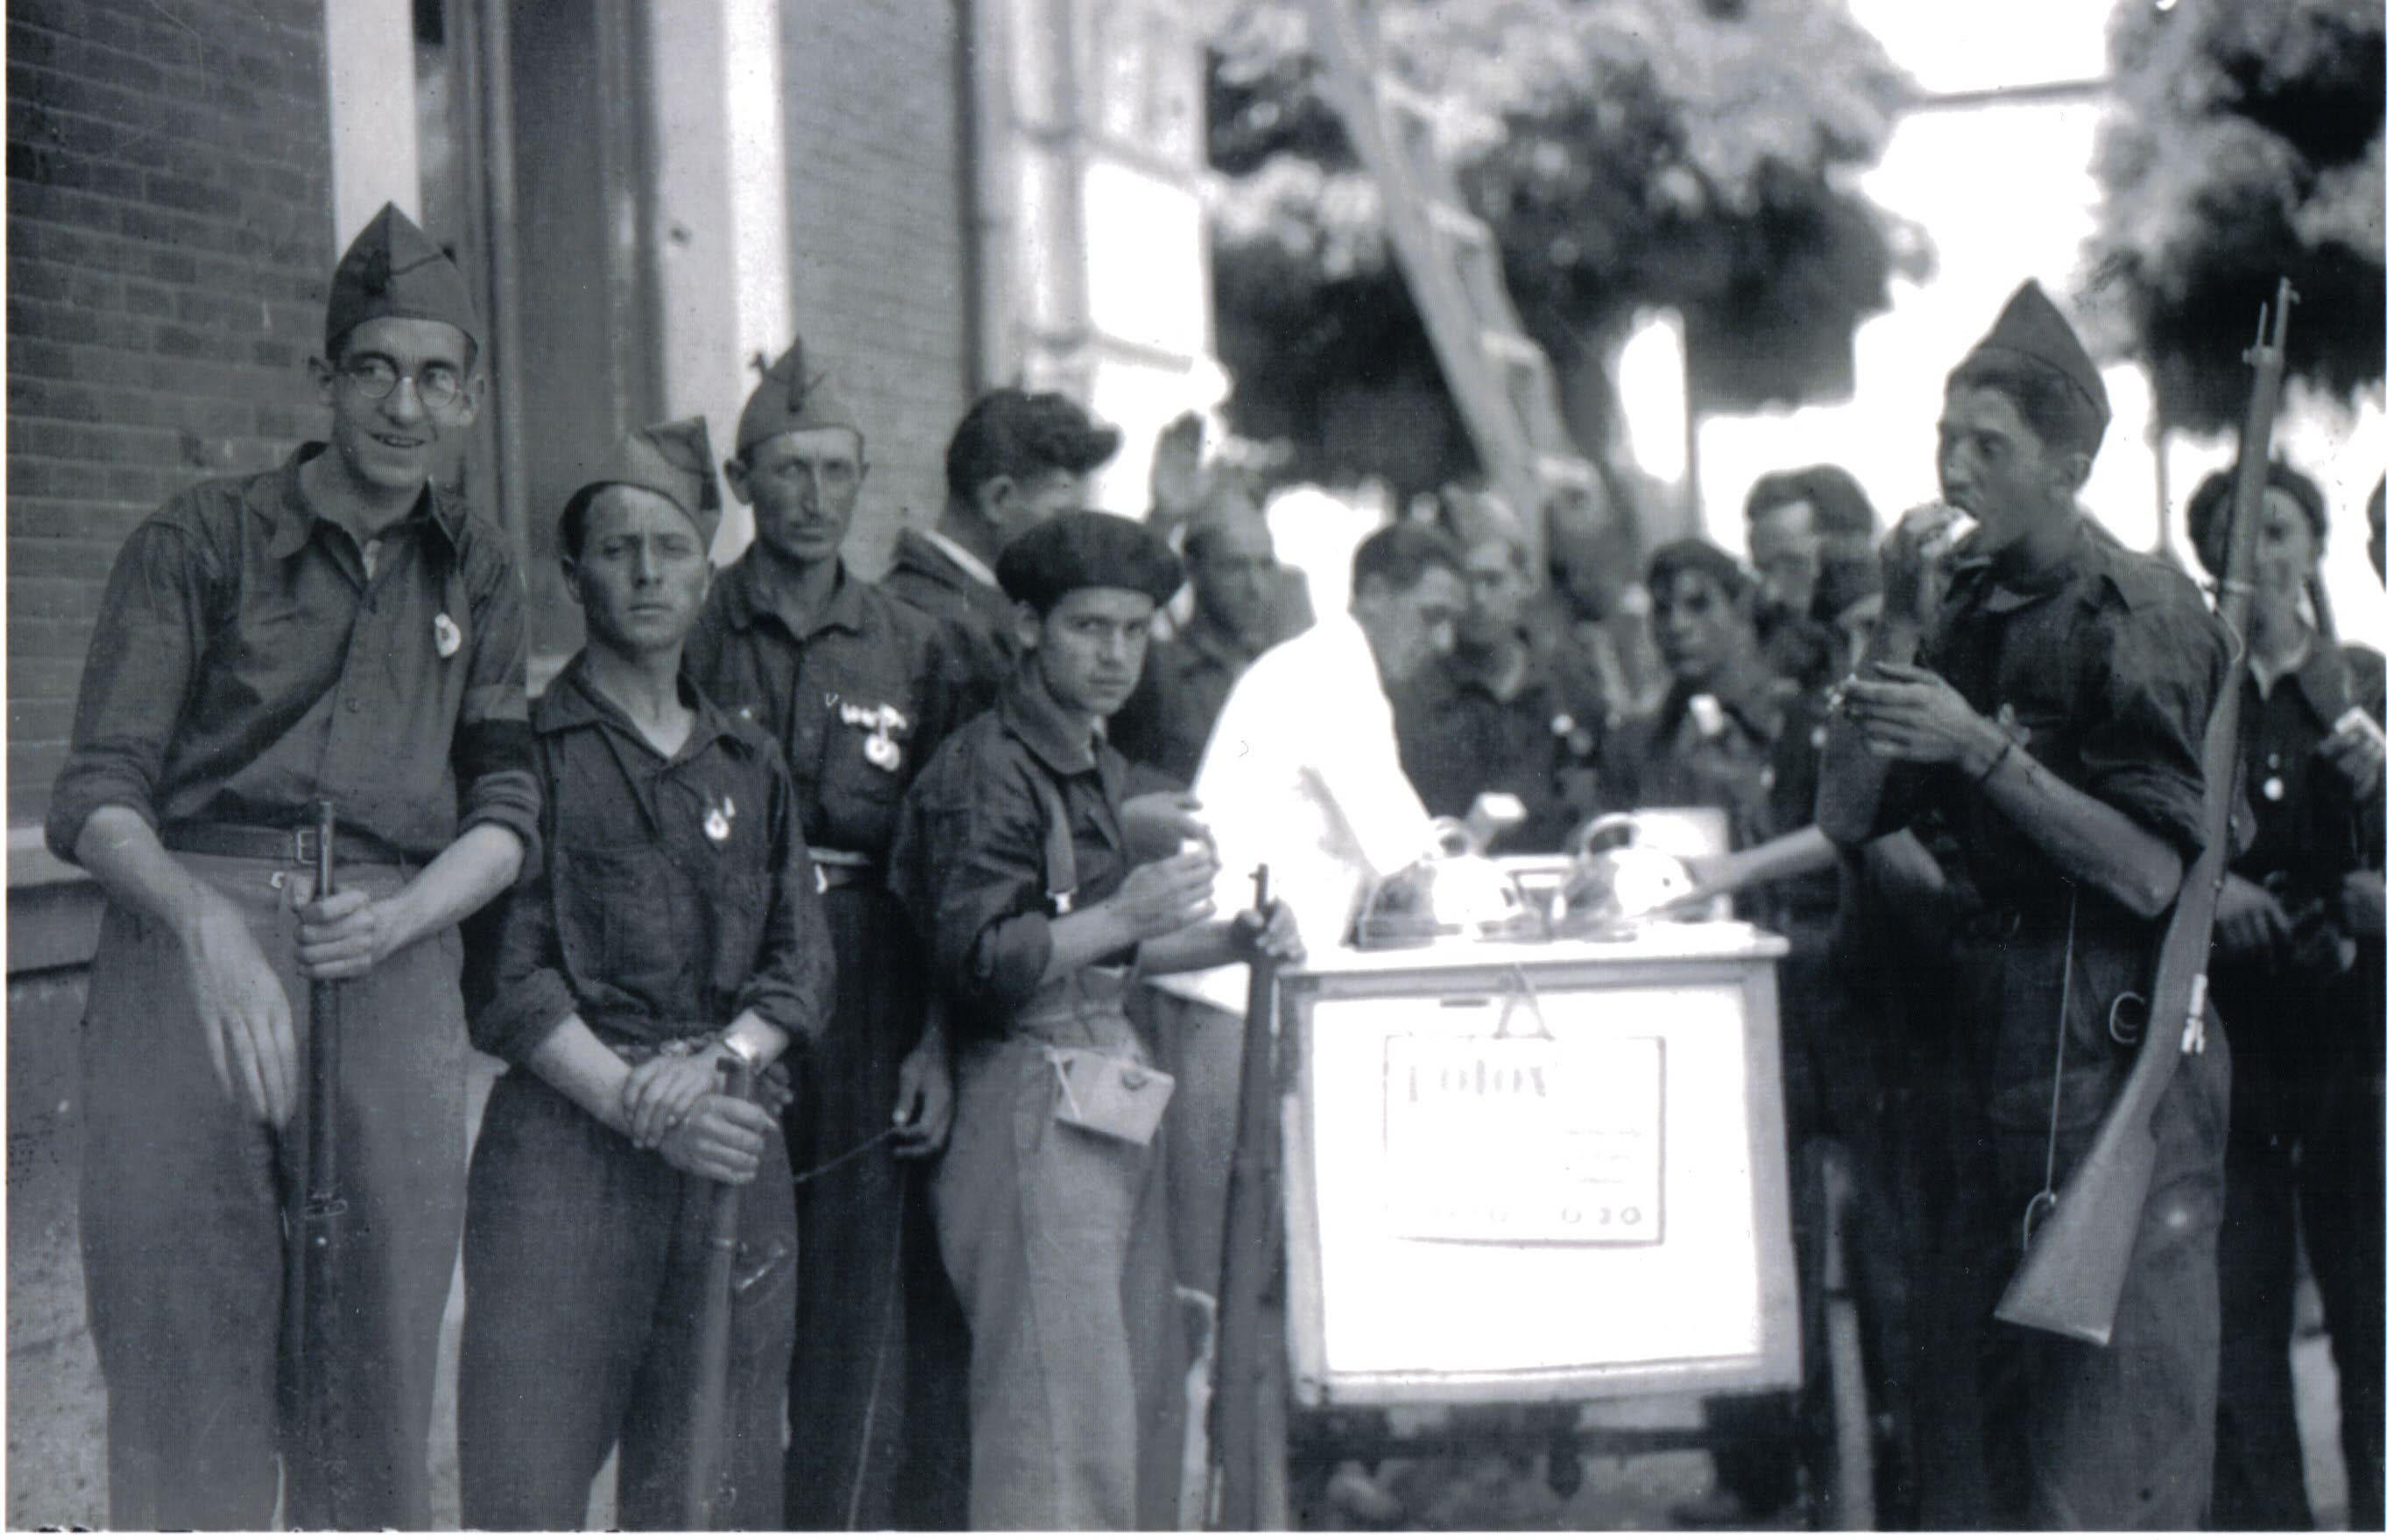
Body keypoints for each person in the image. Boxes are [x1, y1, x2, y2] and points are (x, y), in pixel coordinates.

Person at [44, 203, 538, 1529]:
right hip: (189, 965)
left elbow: (505, 799)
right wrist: (202, 923)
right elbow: (94, 794)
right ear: (324, 382)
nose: (401, 402)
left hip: (388, 960)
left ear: (472, 400)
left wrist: (405, 919)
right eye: (372, 368)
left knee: (373, 1352)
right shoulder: (198, 540)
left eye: (436, 376)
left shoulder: (479, 570)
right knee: (184, 1345)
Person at [1820, 279, 2233, 1529]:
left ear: (2068, 466)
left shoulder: (2142, 614)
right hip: (1988, 1042)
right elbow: (1848, 815)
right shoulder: (1956, 611)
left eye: (1986, 447)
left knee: (2102, 1454)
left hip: (2109, 1043)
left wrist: (1980, 751)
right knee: (1976, 1456)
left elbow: (2154, 873)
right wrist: (1896, 619)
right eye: (1944, 439)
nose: (1952, 468)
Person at [888, 511, 1302, 1529]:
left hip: (1096, 1092)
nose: (1116, 653)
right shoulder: (990, 769)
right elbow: (983, 961)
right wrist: (1129, 910)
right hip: (1026, 1102)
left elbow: (1102, 944)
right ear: (1027, 627)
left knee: (1117, 1414)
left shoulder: (1081, 761)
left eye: (1133, 628)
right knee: (1054, 1437)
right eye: (1088, 628)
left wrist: (1233, 941)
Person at [456, 419, 832, 1529]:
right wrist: (635, 1104)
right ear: (572, 576)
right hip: (566, 1159)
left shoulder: (748, 760)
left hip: (723, 1140)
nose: (647, 572)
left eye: (671, 547)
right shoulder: (523, 749)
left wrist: (721, 1065)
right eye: (618, 550)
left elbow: (800, 964)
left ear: (708, 570)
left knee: (712, 1485)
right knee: (527, 1481)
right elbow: (509, 982)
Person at [680, 340, 971, 1529]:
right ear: (743, 484)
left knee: (860, 1307)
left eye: (833, 470)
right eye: (785, 471)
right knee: (716, 1298)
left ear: (864, 481)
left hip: (871, 995)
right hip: (723, 981)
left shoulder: (916, 645)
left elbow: (952, 864)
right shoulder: (693, 629)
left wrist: (939, 1042)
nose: (810, 496)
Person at [2180, 461, 2385, 1530]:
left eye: (2276, 532)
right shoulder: (2194, 701)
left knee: (2375, 1323)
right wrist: (2217, 893)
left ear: (2312, 548)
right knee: (2238, 1328)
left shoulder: (2366, 686)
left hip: (2357, 1052)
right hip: (2232, 1057)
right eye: (2227, 539)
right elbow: (2152, 846)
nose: (2254, 558)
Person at [1193, 520, 1468, 948]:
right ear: (1374, 594)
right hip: (1231, 978)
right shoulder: (1336, 675)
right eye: (1431, 616)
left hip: (1235, 965)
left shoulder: (1323, 661)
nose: (1444, 641)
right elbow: (1409, 860)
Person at [883, 386, 1122, 716]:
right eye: (1060, 517)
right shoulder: (930, 626)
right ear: (998, 500)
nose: (1072, 541)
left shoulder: (970, 613)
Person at [1392, 512, 1606, 851]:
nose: (1477, 600)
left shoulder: (1570, 690)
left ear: (1524, 583)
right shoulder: (1413, 699)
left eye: (1492, 581)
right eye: (1465, 583)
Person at [1601, 537, 1796, 844]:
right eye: (1663, 609)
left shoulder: (1785, 721)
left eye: (1698, 605)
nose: (1678, 625)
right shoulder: (1637, 742)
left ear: (1739, 608)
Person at [1108, 491, 1289, 786]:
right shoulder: (1155, 668)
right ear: (1193, 569)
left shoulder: (1279, 672)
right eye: (1234, 568)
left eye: (1265, 566)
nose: (1256, 587)